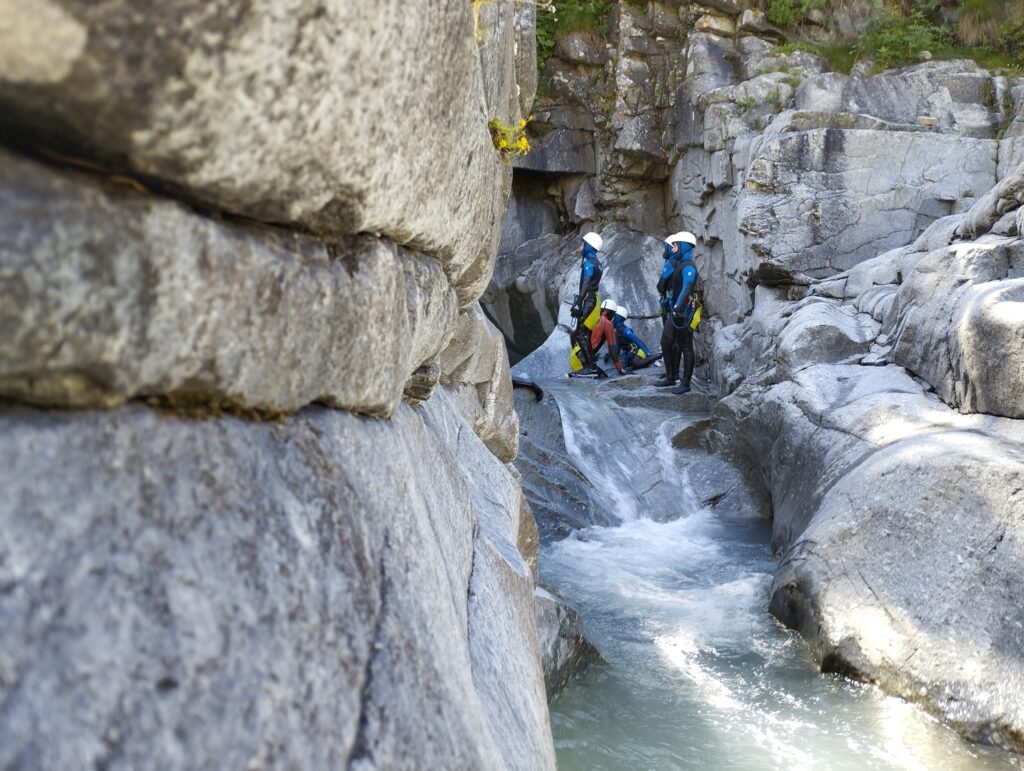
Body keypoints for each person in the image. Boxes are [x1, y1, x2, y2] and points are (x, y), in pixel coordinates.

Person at [655, 231, 699, 394]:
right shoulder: (680, 263)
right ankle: (670, 377)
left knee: (686, 346)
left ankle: (685, 383)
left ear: (682, 246)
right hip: (676, 310)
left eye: (675, 245)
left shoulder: (688, 265)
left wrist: (679, 305)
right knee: (666, 341)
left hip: (684, 311)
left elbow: (688, 286)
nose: (672, 248)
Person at [569, 232, 604, 372]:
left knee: (580, 333)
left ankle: (590, 367)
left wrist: (578, 301)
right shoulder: (597, 263)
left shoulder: (589, 263)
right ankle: (591, 365)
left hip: (590, 299)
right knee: (584, 334)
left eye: (583, 244)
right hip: (594, 299)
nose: (580, 247)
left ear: (589, 246)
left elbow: (587, 280)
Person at [612, 306, 659, 373]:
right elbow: (617, 350)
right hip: (630, 356)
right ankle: (646, 363)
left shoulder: (625, 330)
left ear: (619, 317)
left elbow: (638, 341)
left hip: (638, 352)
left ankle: (659, 356)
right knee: (627, 369)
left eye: (614, 316)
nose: (612, 318)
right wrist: (609, 354)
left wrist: (648, 354)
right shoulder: (617, 332)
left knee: (636, 363)